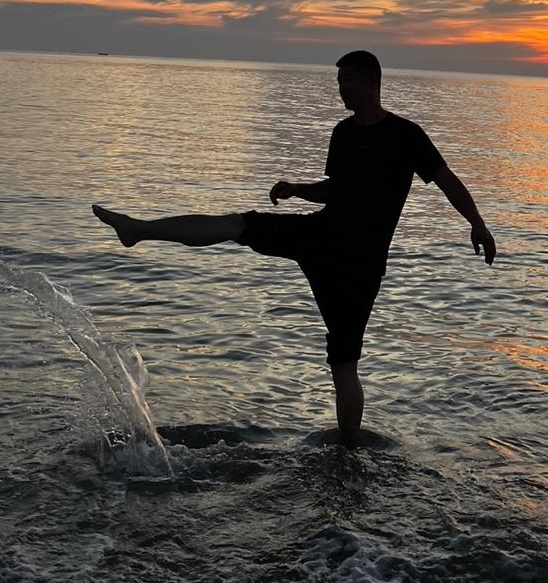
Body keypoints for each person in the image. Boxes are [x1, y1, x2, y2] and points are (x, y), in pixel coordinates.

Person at [92, 49, 496, 448]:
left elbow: (447, 180)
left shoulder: (406, 135)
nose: (342, 90)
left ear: (372, 83)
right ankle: (139, 230)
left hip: (360, 263)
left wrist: (476, 223)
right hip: (319, 235)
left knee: (344, 362)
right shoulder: (344, 133)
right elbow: (337, 190)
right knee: (239, 224)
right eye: (339, 83)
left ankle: (348, 451)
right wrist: (299, 189)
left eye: (348, 82)